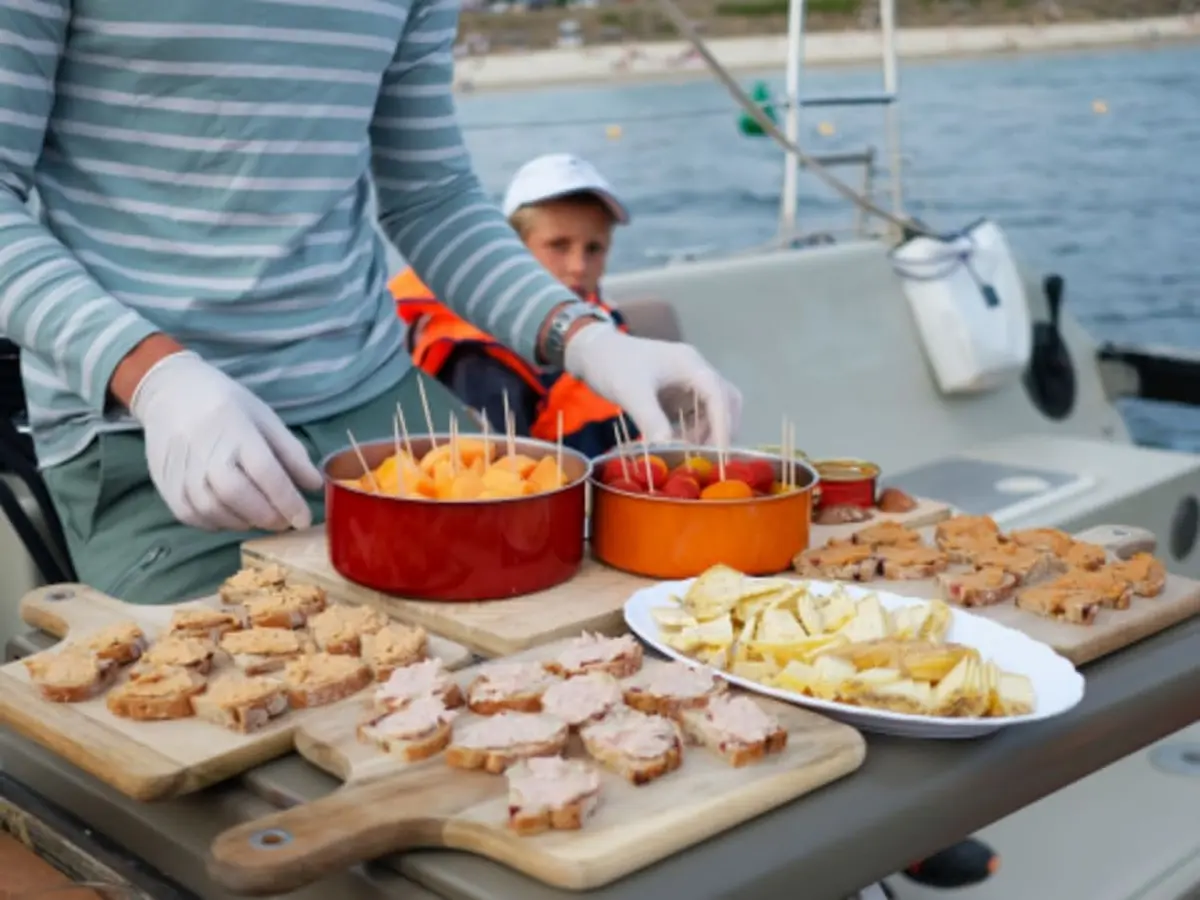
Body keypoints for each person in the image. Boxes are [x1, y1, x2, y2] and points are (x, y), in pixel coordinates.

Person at [0, 2, 741, 605]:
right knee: (251, 702)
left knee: (575, 621)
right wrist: (153, 375)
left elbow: (433, 197)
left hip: (379, 400)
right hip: (146, 429)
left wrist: (587, 339)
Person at [392, 153, 650, 456]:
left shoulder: (604, 317)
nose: (579, 266)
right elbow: (503, 485)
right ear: (513, 251)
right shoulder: (480, 366)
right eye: (558, 245)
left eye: (594, 248)